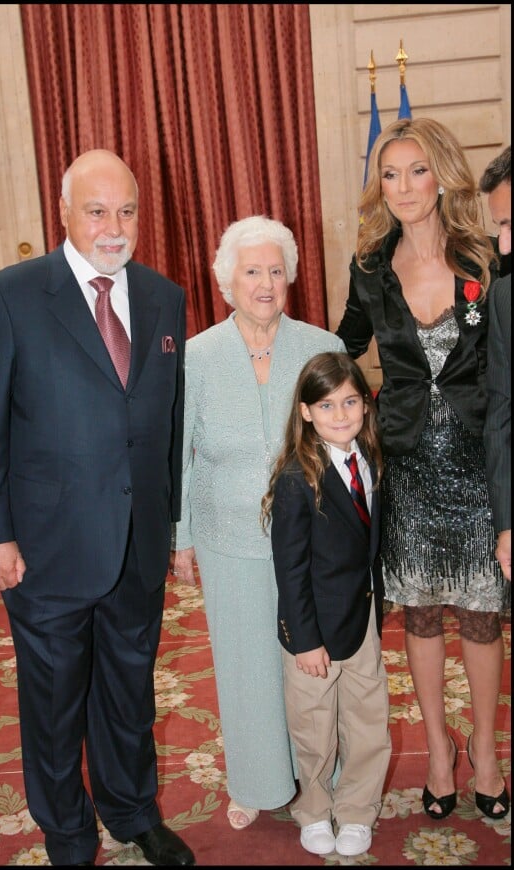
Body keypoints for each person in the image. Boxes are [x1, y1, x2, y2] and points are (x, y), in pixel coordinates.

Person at [0, 149, 195, 866]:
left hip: (138, 543)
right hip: (46, 547)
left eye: (126, 210)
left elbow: (171, 422)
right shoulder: (10, 295)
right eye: (97, 211)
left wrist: (173, 524)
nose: (113, 226)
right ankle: (66, 831)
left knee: (129, 691)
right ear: (63, 213)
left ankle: (130, 811)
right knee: (55, 702)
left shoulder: (165, 298)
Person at [336, 117, 510, 823]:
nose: (403, 187)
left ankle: (489, 750)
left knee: (483, 614)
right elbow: (341, 349)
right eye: (390, 173)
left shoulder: (485, 257)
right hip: (406, 465)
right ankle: (439, 751)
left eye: (416, 171)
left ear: (441, 175)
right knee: (423, 614)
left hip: (479, 462)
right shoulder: (370, 266)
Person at [172, 216, 346, 830]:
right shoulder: (196, 355)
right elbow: (180, 453)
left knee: (315, 665)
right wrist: (183, 536)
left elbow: (348, 445)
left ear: (290, 276)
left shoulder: (321, 347)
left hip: (314, 540)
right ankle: (257, 782)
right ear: (227, 280)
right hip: (227, 540)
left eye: (276, 270)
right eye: (252, 271)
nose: (266, 283)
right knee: (246, 665)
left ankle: (323, 783)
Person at [261, 351, 391, 858]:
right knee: (314, 730)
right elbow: (290, 571)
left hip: (362, 622)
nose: (342, 414)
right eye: (327, 405)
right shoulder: (298, 478)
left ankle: (357, 809)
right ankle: (314, 808)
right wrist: (305, 640)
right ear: (307, 412)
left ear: (365, 404)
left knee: (367, 722)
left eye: (351, 401)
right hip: (313, 632)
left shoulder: (371, 460)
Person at [479, 146, 511, 582]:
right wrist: (506, 525)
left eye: (510, 223)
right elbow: (501, 417)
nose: (503, 243)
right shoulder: (503, 298)